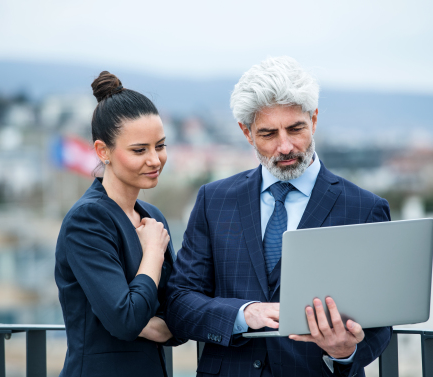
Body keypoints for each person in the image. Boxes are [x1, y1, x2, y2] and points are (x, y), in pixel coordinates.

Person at [166, 57, 392, 377]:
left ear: (313, 120)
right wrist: (245, 313)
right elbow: (179, 303)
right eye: (268, 134)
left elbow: (382, 318)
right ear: (246, 133)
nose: (284, 146)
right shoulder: (213, 201)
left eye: (295, 129)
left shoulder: (364, 208)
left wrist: (346, 352)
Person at [55, 71, 184, 377]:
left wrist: (146, 321)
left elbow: (180, 318)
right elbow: (125, 320)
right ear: (103, 151)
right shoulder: (87, 220)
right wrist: (153, 252)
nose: (155, 160)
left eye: (160, 146)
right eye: (139, 150)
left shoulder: (152, 217)